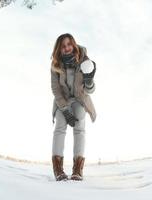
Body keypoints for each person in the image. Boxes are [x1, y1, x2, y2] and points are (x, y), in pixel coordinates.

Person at [50, 33, 97, 181]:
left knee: (80, 126)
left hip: (79, 99)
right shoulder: (55, 65)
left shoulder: (84, 61)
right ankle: (58, 169)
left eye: (69, 44)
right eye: (63, 46)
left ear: (74, 44)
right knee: (60, 126)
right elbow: (56, 89)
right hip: (62, 100)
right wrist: (64, 109)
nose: (67, 48)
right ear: (59, 49)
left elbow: (89, 90)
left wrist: (89, 81)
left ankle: (78, 169)